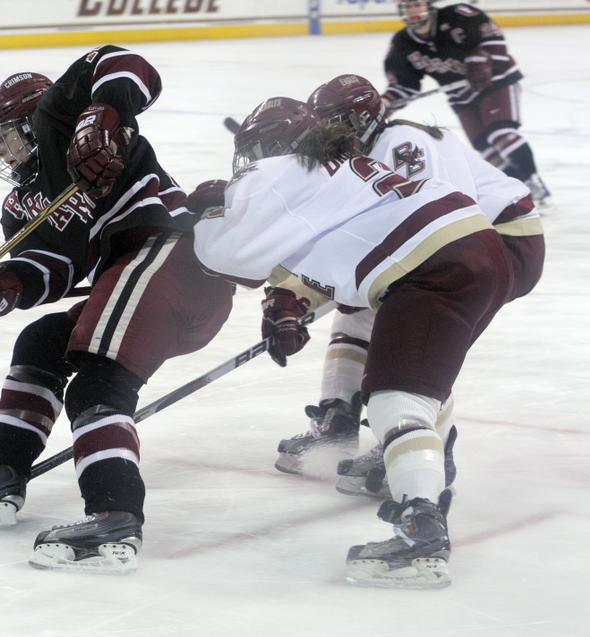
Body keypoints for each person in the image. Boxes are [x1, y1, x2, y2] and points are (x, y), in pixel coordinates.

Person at [0, 45, 234, 573]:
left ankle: (114, 517)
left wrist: (102, 117)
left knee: (97, 380)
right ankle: (2, 474)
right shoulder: (22, 203)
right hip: (139, 282)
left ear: (31, 120)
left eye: (7, 135)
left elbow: (124, 61)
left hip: (170, 260)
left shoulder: (62, 123)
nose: (3, 150)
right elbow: (52, 269)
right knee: (42, 342)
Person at [190, 96, 514, 588]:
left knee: (396, 399)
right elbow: (327, 246)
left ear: (278, 144)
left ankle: (422, 527)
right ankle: (425, 479)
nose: (252, 160)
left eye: (257, 148)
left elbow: (230, 260)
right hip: (474, 247)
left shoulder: (281, 170)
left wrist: (210, 210)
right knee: (417, 384)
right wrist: (288, 306)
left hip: (428, 264)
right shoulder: (342, 163)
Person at [273, 74, 545, 499]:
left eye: (338, 123)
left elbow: (445, 222)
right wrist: (297, 291)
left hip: (501, 242)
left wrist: (300, 290)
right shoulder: (360, 155)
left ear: (364, 119)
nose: (329, 134)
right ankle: (337, 420)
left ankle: (428, 444)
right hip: (463, 246)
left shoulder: (404, 144)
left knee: (421, 332)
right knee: (363, 312)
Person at [383, 1, 551, 206]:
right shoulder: (402, 43)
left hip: (496, 81)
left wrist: (483, 60)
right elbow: (403, 86)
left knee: (501, 134)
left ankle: (535, 183)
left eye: (416, 4)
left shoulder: (460, 15)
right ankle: (520, 190)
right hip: (459, 93)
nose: (412, 11)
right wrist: (384, 104)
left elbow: (494, 42)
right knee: (486, 149)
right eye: (407, 7)